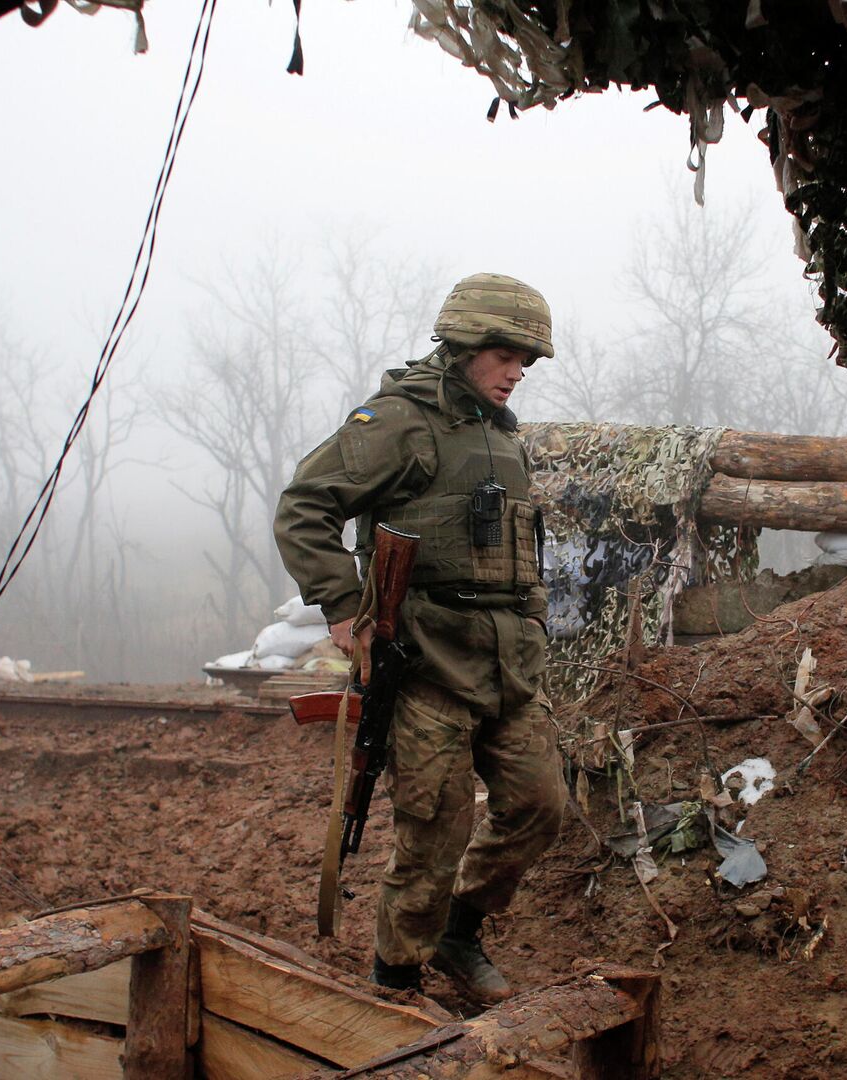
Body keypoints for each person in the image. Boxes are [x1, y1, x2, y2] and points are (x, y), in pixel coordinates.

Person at [272, 273, 564, 1004]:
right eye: (505, 354)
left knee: (540, 805)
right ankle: (396, 979)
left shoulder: (501, 433)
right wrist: (343, 609)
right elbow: (305, 507)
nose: (517, 371)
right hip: (426, 659)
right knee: (433, 830)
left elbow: (517, 545)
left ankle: (460, 936)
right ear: (464, 345)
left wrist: (532, 615)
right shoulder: (401, 421)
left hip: (508, 664)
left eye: (526, 358)